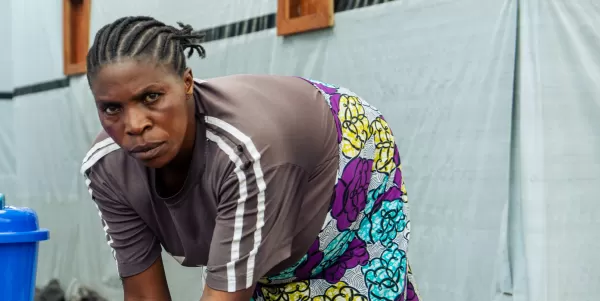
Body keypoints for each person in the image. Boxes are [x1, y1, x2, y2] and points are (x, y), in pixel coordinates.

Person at [79, 16, 420, 301]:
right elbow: (143, 295)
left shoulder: (242, 151)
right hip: (262, 176)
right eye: (111, 108)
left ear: (187, 83)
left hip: (342, 156)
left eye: (152, 97)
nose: (134, 125)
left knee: (352, 283)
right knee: (245, 276)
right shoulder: (108, 168)